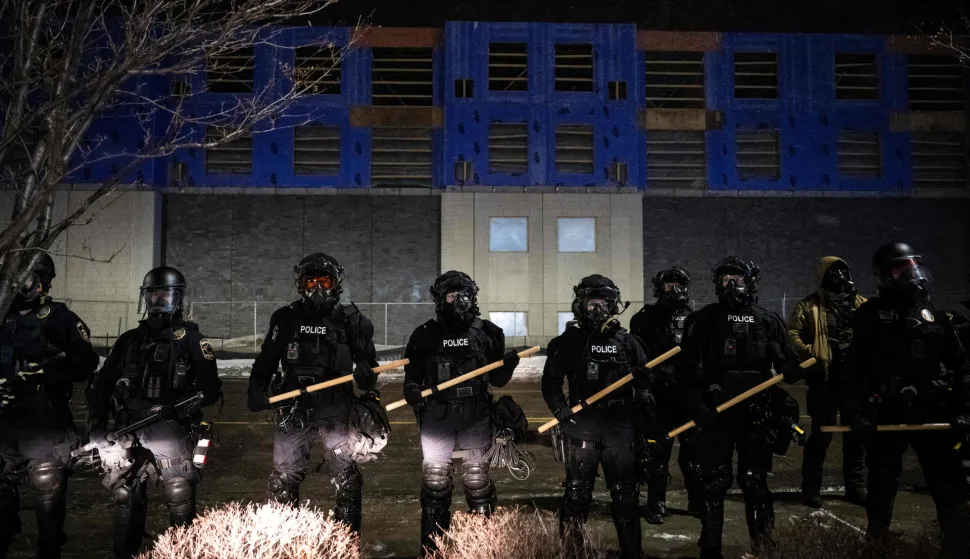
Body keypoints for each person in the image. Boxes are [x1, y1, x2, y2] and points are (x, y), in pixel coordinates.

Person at [841, 242, 970, 556]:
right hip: (887, 411)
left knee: (948, 483)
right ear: (886, 275)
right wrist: (857, 413)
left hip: (932, 411)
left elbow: (962, 366)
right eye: (903, 269)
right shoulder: (870, 315)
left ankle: (957, 547)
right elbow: (851, 371)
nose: (913, 275)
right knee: (882, 483)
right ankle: (878, 544)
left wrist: (963, 409)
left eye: (914, 267)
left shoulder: (934, 316)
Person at [85, 266, 222, 559]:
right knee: (125, 495)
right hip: (128, 429)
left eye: (166, 294)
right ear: (145, 298)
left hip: (171, 430)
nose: (159, 300)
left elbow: (210, 389)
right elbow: (102, 385)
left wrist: (179, 407)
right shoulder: (129, 341)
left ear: (179, 298)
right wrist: (96, 424)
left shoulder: (193, 340)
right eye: (154, 294)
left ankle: (183, 552)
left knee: (179, 491)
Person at [246, 253, 380, 537]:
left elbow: (369, 367)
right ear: (301, 284)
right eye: (311, 282)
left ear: (336, 284)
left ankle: (346, 546)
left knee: (347, 481)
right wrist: (256, 389)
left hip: (337, 411)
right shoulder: (286, 319)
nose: (318, 288)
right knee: (282, 482)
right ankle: (286, 546)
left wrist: (367, 374)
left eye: (325, 282)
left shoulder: (353, 321)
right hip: (295, 409)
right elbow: (265, 363)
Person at [680, 257, 802, 559]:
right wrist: (698, 405)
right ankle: (710, 549)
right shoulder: (704, 320)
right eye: (725, 280)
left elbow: (785, 364)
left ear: (750, 282)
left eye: (737, 279)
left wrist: (793, 368)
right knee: (715, 482)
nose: (731, 285)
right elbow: (686, 370)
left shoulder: (767, 320)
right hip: (717, 415)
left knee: (754, 481)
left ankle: (764, 547)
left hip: (756, 415)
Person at [402, 271, 520, 553]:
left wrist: (508, 366)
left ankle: (481, 549)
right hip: (437, 416)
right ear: (440, 299)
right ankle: (432, 551)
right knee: (435, 482)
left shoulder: (489, 333)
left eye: (465, 295)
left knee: (477, 480)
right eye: (452, 296)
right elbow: (412, 378)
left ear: (473, 297)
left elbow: (497, 381)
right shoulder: (425, 335)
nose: (459, 301)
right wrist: (412, 391)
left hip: (475, 415)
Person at [541, 274, 651, 559]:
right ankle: (572, 552)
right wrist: (560, 408)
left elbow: (648, 384)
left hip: (619, 430)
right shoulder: (568, 343)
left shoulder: (628, 342)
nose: (597, 309)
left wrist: (643, 385)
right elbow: (551, 381)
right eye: (591, 303)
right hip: (582, 427)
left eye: (604, 302)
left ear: (614, 305)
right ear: (580, 305)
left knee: (625, 494)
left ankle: (632, 553)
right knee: (577, 493)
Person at [0, 252, 99, 559]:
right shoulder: (2, 316)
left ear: (42, 283)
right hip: (4, 423)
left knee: (48, 488)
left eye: (27, 279)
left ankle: (49, 549)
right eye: (14, 279)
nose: (20, 286)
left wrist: (46, 374)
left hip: (45, 423)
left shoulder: (60, 318)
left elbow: (86, 363)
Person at [788, 257, 868, 508]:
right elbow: (793, 333)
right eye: (833, 271)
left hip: (855, 381)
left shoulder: (862, 305)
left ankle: (856, 487)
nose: (840, 275)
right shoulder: (809, 306)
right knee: (821, 435)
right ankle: (811, 489)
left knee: (856, 436)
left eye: (843, 270)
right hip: (824, 379)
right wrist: (810, 352)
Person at [629, 266, 701, 523]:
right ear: (659, 289)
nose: (673, 290)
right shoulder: (644, 318)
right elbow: (636, 358)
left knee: (694, 452)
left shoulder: (696, 319)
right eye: (668, 285)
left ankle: (697, 501)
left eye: (678, 285)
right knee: (657, 452)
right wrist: (643, 389)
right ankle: (656, 502)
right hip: (658, 396)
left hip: (689, 395)